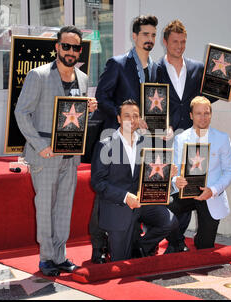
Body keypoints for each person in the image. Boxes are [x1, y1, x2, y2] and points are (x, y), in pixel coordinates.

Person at [14, 26, 98, 276]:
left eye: (75, 47)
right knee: (45, 205)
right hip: (45, 153)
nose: (70, 51)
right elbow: (21, 113)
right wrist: (40, 147)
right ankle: (46, 258)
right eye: (66, 46)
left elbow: (76, 116)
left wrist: (89, 108)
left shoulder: (82, 78)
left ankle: (60, 256)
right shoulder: (37, 75)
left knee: (63, 206)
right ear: (57, 47)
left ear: (79, 50)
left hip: (71, 154)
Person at [156, 20, 231, 251]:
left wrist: (228, 86)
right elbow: (151, 102)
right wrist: (163, 126)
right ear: (165, 42)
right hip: (169, 138)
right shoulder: (155, 69)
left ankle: (179, 243)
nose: (179, 46)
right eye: (175, 41)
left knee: (192, 191)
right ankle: (175, 241)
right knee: (174, 193)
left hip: (196, 136)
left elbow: (207, 96)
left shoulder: (198, 68)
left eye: (183, 41)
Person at [90, 15, 159, 263]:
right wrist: (126, 118)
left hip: (143, 141)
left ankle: (133, 241)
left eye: (153, 35)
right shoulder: (117, 63)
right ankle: (99, 247)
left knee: (136, 188)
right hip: (115, 137)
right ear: (134, 36)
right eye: (145, 34)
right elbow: (102, 98)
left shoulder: (156, 68)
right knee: (106, 195)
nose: (149, 39)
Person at [91, 100, 178, 261]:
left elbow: (151, 176)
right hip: (118, 206)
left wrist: (168, 175)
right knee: (121, 261)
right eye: (127, 116)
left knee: (170, 221)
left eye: (135, 116)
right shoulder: (105, 145)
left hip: (142, 204)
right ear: (118, 118)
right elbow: (98, 183)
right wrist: (125, 197)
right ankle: (120, 246)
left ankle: (141, 245)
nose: (131, 120)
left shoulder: (147, 143)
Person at [167, 96, 231, 252]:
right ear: (191, 115)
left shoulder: (222, 138)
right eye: (198, 113)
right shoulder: (180, 138)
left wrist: (213, 190)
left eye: (206, 113)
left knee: (205, 247)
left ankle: (199, 238)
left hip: (210, 194)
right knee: (162, 208)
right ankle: (178, 242)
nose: (203, 117)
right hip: (185, 193)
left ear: (211, 114)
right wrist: (175, 180)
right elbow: (175, 170)